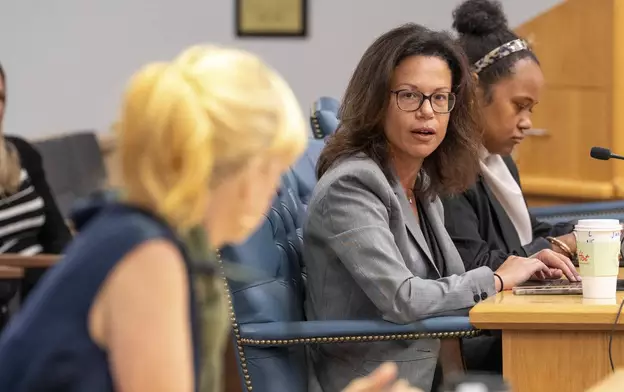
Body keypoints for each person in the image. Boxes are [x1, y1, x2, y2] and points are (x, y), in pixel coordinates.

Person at [0, 46, 421, 392]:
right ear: (235, 167)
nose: (275, 187)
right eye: (273, 168)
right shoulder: (148, 256)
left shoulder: (149, 238)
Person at [302, 23, 579, 392]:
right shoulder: (353, 184)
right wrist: (497, 278)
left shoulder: (421, 182)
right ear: (376, 100)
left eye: (439, 98)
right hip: (377, 381)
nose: (427, 112)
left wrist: (528, 269)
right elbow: (402, 298)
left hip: (438, 369)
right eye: (409, 96)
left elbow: (449, 274)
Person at [442, 0, 624, 275]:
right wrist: (566, 244)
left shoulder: (500, 162)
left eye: (531, 109)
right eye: (519, 105)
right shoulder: (446, 170)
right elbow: (475, 267)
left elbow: (523, 233)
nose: (527, 123)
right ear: (474, 92)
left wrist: (600, 235)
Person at [0, 62, 72, 328]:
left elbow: (55, 232)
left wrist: (71, 266)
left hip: (47, 284)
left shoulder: (21, 153)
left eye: (2, 97)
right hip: (11, 300)